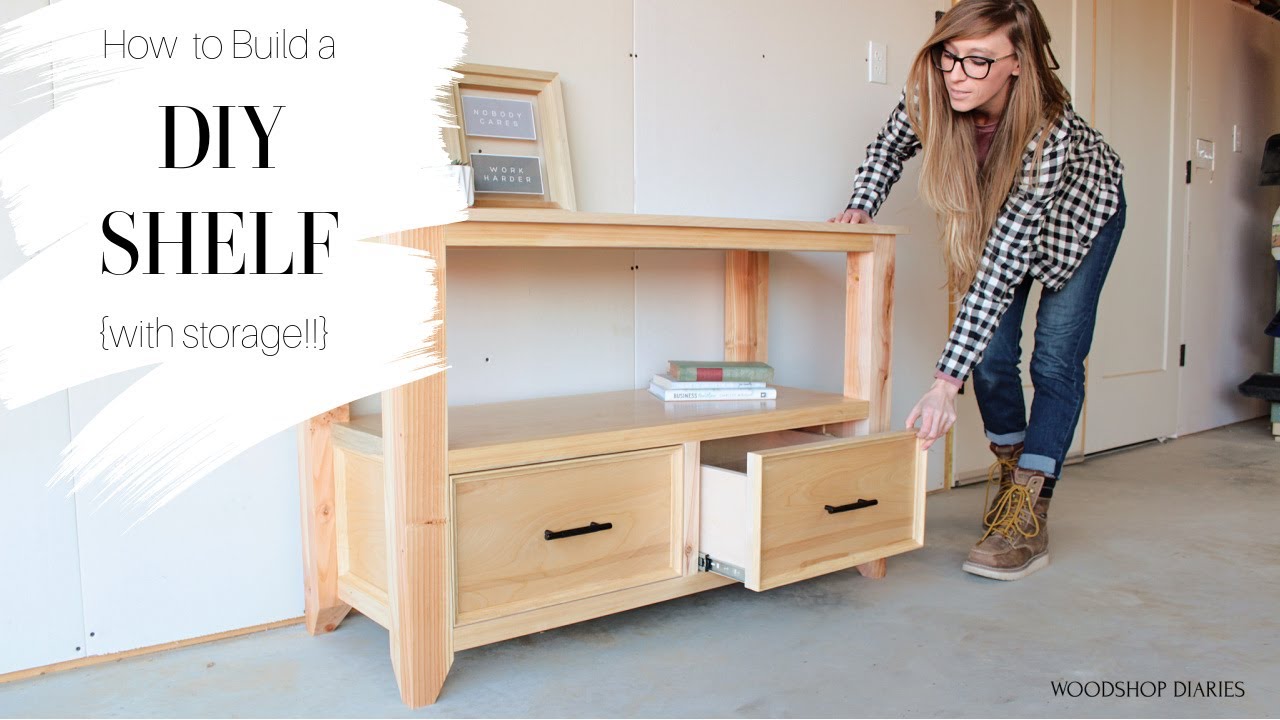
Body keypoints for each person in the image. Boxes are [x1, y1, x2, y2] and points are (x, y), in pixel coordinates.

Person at [829, 0, 1125, 581]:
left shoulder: (1049, 133)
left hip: (1083, 218)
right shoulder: (935, 92)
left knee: (1055, 362)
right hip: (1003, 219)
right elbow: (888, 147)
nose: (958, 75)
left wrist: (943, 383)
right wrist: (862, 204)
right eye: (949, 56)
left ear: (1019, 62)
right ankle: (1013, 475)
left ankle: (1030, 506)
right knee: (990, 360)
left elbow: (1000, 267)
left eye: (979, 61)